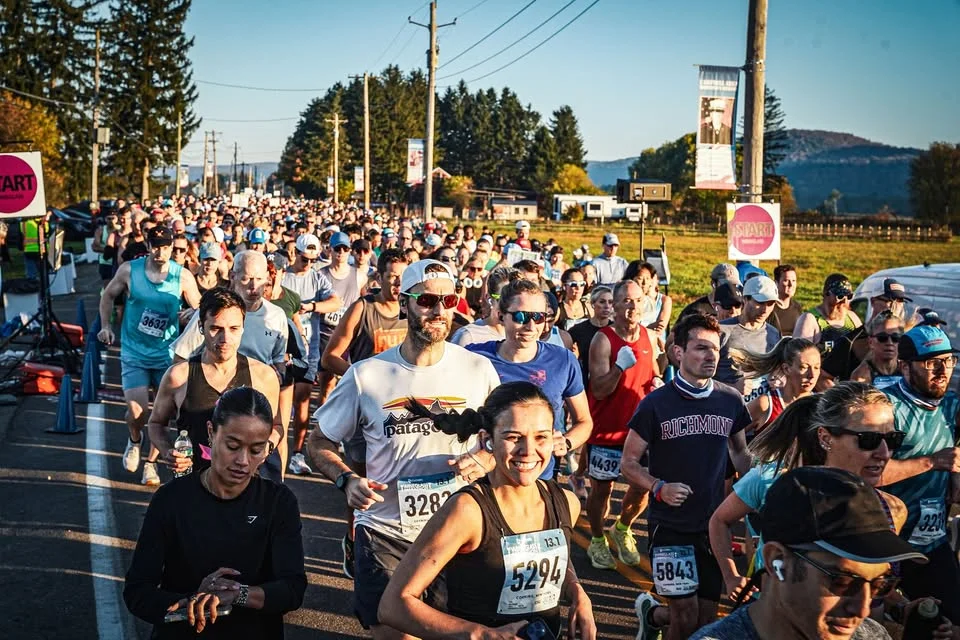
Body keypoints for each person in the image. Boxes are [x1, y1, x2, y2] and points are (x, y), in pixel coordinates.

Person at [305, 259, 501, 638]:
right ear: (406, 302)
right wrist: (345, 479)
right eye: (427, 300)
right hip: (385, 532)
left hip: (457, 535)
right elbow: (318, 441)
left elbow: (502, 440)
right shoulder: (367, 374)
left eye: (449, 299)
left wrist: (484, 458)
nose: (439, 310)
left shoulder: (479, 370)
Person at [378, 382, 597, 640]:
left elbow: (554, 555)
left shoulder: (566, 503)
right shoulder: (467, 511)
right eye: (513, 437)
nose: (528, 451)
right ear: (487, 440)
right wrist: (482, 634)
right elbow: (393, 606)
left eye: (541, 437)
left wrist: (576, 591)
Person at [124, 387, 306, 639]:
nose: (243, 460)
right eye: (233, 446)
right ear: (211, 433)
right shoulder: (171, 500)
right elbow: (138, 592)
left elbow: (292, 589)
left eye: (256, 450)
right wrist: (192, 603)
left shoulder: (278, 503)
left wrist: (235, 593)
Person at [709, 383, 907, 607]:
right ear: (825, 438)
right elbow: (719, 520)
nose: (884, 453)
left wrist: (902, 606)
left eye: (893, 440)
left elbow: (868, 579)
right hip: (767, 610)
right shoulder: (771, 479)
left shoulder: (891, 509)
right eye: (868, 440)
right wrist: (731, 575)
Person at [623, 313, 752, 640]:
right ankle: (659, 615)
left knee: (706, 620)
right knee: (685, 616)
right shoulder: (655, 404)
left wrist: (759, 489)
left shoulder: (730, 400)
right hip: (670, 526)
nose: (712, 356)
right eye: (701, 348)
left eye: (716, 349)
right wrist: (659, 487)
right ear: (678, 353)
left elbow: (739, 452)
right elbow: (629, 463)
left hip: (713, 526)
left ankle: (651, 615)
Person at [690, 467, 932, 640]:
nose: (863, 609)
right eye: (842, 581)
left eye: (881, 584)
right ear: (777, 561)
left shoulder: (872, 635)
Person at [319, 248, 409, 579]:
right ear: (380, 277)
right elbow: (330, 357)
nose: (398, 284)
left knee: (397, 483)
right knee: (360, 483)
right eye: (392, 276)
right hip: (364, 410)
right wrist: (363, 377)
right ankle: (354, 539)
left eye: (403, 276)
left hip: (401, 413)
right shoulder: (364, 308)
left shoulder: (414, 310)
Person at [98, 225, 201, 486]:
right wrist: (106, 326)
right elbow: (108, 295)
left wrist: (190, 315)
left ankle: (151, 464)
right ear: (149, 246)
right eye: (156, 246)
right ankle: (135, 440)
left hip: (168, 355)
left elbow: (202, 310)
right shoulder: (129, 271)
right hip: (134, 351)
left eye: (166, 247)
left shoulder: (183, 277)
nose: (161, 252)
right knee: (136, 411)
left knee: (162, 415)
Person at [148, 287, 283, 481]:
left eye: (234, 329)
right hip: (194, 487)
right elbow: (155, 423)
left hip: (246, 486)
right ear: (201, 328)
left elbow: (277, 426)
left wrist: (263, 451)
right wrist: (169, 452)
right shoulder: (179, 376)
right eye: (216, 329)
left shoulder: (263, 376)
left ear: (243, 327)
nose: (225, 338)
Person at [466, 278, 594, 480]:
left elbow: (584, 421)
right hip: (486, 477)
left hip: (539, 477)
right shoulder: (473, 357)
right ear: (500, 316)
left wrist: (566, 442)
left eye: (539, 317)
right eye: (520, 316)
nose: (531, 326)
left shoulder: (563, 360)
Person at [880, 324, 960, 623]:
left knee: (949, 620)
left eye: (949, 360)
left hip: (933, 541)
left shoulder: (950, 404)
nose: (943, 370)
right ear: (904, 366)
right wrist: (933, 462)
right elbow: (868, 475)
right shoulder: (886, 408)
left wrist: (955, 475)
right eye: (931, 363)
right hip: (888, 546)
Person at [584, 281, 660, 570]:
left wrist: (657, 384)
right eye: (626, 301)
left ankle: (623, 527)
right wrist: (619, 367)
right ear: (614, 305)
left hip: (641, 432)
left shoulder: (649, 337)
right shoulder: (603, 340)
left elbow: (652, 372)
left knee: (643, 487)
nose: (632, 307)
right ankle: (596, 539)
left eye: (637, 301)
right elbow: (600, 389)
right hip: (607, 430)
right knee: (602, 490)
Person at [281, 233, 341, 476]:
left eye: (312, 260)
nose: (307, 264)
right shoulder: (283, 277)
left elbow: (336, 302)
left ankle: (297, 454)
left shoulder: (317, 278)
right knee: (278, 402)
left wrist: (313, 306)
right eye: (304, 259)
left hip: (309, 349)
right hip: (281, 349)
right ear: (295, 253)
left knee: (303, 399)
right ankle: (273, 450)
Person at [733, 337, 821, 436]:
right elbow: (728, 435)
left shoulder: (822, 406)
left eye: (817, 367)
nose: (812, 375)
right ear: (786, 368)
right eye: (804, 367)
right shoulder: (765, 404)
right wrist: (742, 451)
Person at [715, 275, 781, 394]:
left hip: (762, 408)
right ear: (745, 299)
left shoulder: (773, 334)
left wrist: (779, 379)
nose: (765, 309)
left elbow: (778, 371)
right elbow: (698, 378)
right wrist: (733, 387)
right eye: (760, 302)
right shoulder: (721, 331)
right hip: (725, 405)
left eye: (770, 303)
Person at [450, 267, 516, 347]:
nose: (512, 306)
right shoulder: (468, 337)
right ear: (489, 298)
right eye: (504, 298)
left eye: (518, 300)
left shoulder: (529, 335)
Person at [793, 273, 863, 346]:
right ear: (826, 294)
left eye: (849, 296)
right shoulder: (810, 320)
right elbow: (798, 353)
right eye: (840, 296)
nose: (844, 301)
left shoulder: (852, 319)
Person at [850, 311, 904, 389]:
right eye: (882, 338)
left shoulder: (908, 371)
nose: (889, 342)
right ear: (870, 342)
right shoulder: (860, 377)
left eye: (895, 337)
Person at [677, 263, 741, 322]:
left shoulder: (738, 307)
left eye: (734, 285)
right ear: (713, 284)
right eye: (725, 285)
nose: (730, 289)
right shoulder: (695, 312)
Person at [769, 264, 802, 337]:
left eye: (793, 281)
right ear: (776, 283)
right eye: (786, 280)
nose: (791, 284)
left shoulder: (797, 307)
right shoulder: (769, 307)